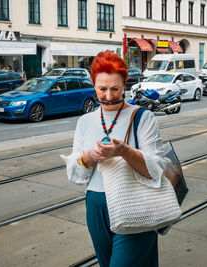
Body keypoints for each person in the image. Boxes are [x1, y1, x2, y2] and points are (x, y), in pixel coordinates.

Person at [61, 50, 167, 267]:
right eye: (102, 89)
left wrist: (124, 151)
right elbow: (78, 175)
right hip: (96, 207)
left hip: (136, 204)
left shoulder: (143, 117)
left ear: (125, 86)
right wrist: (88, 157)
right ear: (93, 86)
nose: (108, 96)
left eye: (115, 89)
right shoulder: (85, 121)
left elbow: (156, 169)